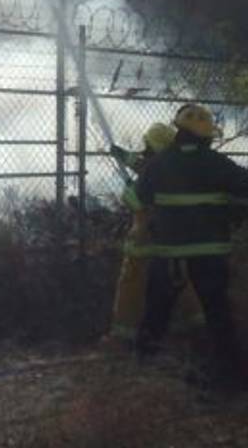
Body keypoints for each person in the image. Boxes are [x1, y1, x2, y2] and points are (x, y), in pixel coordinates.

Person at [134, 104, 248, 381]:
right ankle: (227, 372)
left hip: (170, 252)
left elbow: (140, 195)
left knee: (157, 308)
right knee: (217, 310)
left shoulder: (159, 162)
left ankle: (145, 365)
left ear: (178, 130)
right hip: (211, 251)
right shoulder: (217, 163)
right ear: (206, 136)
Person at [101, 122, 178, 350]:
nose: (144, 150)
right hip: (172, 243)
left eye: (148, 146)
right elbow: (143, 165)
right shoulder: (171, 167)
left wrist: (130, 192)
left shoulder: (158, 172)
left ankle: (122, 338)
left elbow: (139, 202)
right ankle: (187, 332)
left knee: (131, 287)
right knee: (177, 286)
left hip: (145, 241)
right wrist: (123, 155)